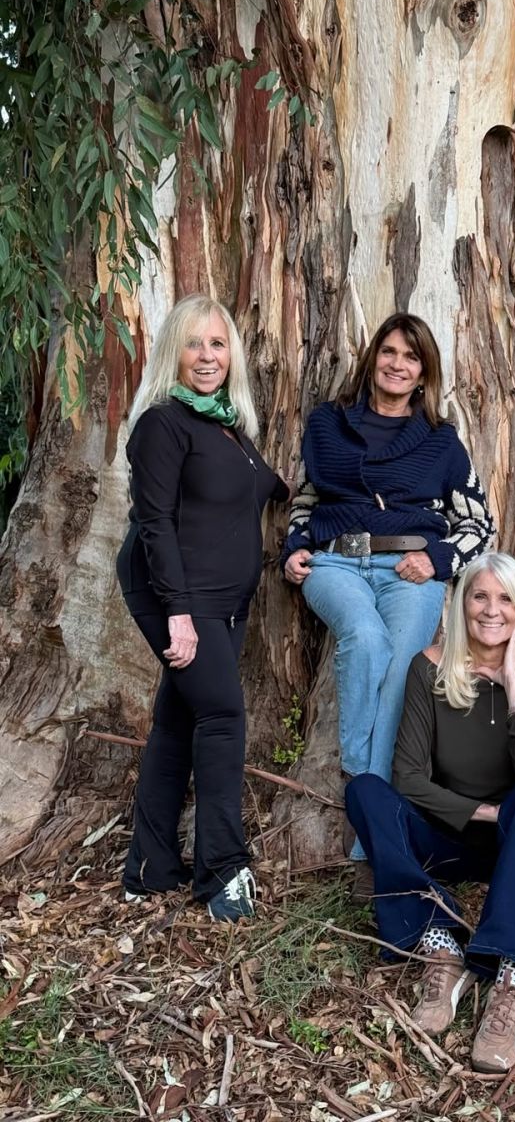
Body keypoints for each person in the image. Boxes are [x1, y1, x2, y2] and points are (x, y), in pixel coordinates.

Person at [281, 313, 495, 883]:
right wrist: (295, 546)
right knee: (366, 639)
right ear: (372, 357)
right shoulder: (328, 423)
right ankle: (367, 787)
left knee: (403, 670)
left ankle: (368, 820)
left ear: (424, 373)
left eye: (412, 357)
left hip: (411, 570)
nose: (398, 364)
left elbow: (479, 523)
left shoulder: (440, 440)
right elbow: (307, 497)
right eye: (390, 352)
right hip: (336, 563)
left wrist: (440, 560)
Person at [345, 552, 515, 1072]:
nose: (491, 610)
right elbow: (408, 778)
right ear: (462, 603)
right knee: (366, 791)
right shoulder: (429, 669)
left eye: (505, 599)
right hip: (454, 839)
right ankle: (440, 944)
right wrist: (489, 814)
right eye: (479, 596)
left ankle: (511, 974)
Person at [116, 295, 288, 921]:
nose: (208, 357)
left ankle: (148, 867)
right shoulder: (163, 424)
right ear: (174, 353)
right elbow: (155, 522)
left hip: (222, 599)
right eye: (195, 344)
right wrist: (178, 613)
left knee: (177, 723)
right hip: (175, 593)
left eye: (218, 344)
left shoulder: (225, 426)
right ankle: (223, 875)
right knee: (220, 714)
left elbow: (268, 486)